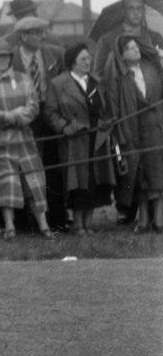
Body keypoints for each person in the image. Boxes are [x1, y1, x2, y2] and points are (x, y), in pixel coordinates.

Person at [0, 41, 53, 240]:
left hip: (22, 137)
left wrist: (18, 117)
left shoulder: (23, 79)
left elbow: (33, 107)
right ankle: (9, 225)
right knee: (4, 180)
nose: (2, 60)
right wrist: (7, 117)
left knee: (34, 179)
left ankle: (43, 224)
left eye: (6, 56)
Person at [45, 43, 113, 235]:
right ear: (72, 62)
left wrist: (105, 122)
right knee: (78, 181)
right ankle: (77, 224)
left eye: (89, 58)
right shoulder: (58, 84)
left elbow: (105, 109)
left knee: (94, 179)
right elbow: (50, 112)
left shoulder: (96, 82)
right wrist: (64, 127)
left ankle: (88, 224)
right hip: (74, 140)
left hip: (96, 139)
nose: (88, 62)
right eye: (83, 59)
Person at [9, 17, 68, 230]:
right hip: (23, 116)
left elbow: (64, 84)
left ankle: (57, 219)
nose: (42, 36)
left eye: (43, 31)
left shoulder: (55, 54)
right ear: (23, 36)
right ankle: (26, 222)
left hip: (48, 113)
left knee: (52, 165)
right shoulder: (10, 57)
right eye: (36, 33)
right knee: (24, 167)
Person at [101, 35, 163, 232]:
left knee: (157, 172)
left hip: (155, 128)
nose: (134, 50)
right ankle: (143, 218)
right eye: (129, 47)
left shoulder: (152, 70)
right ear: (121, 54)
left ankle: (159, 218)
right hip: (132, 129)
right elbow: (113, 106)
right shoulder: (118, 77)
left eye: (136, 46)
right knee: (138, 175)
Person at [92, 0, 163, 79]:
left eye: (139, 8)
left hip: (151, 88)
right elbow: (97, 75)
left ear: (144, 10)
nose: (136, 13)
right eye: (131, 8)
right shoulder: (107, 40)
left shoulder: (155, 37)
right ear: (124, 10)